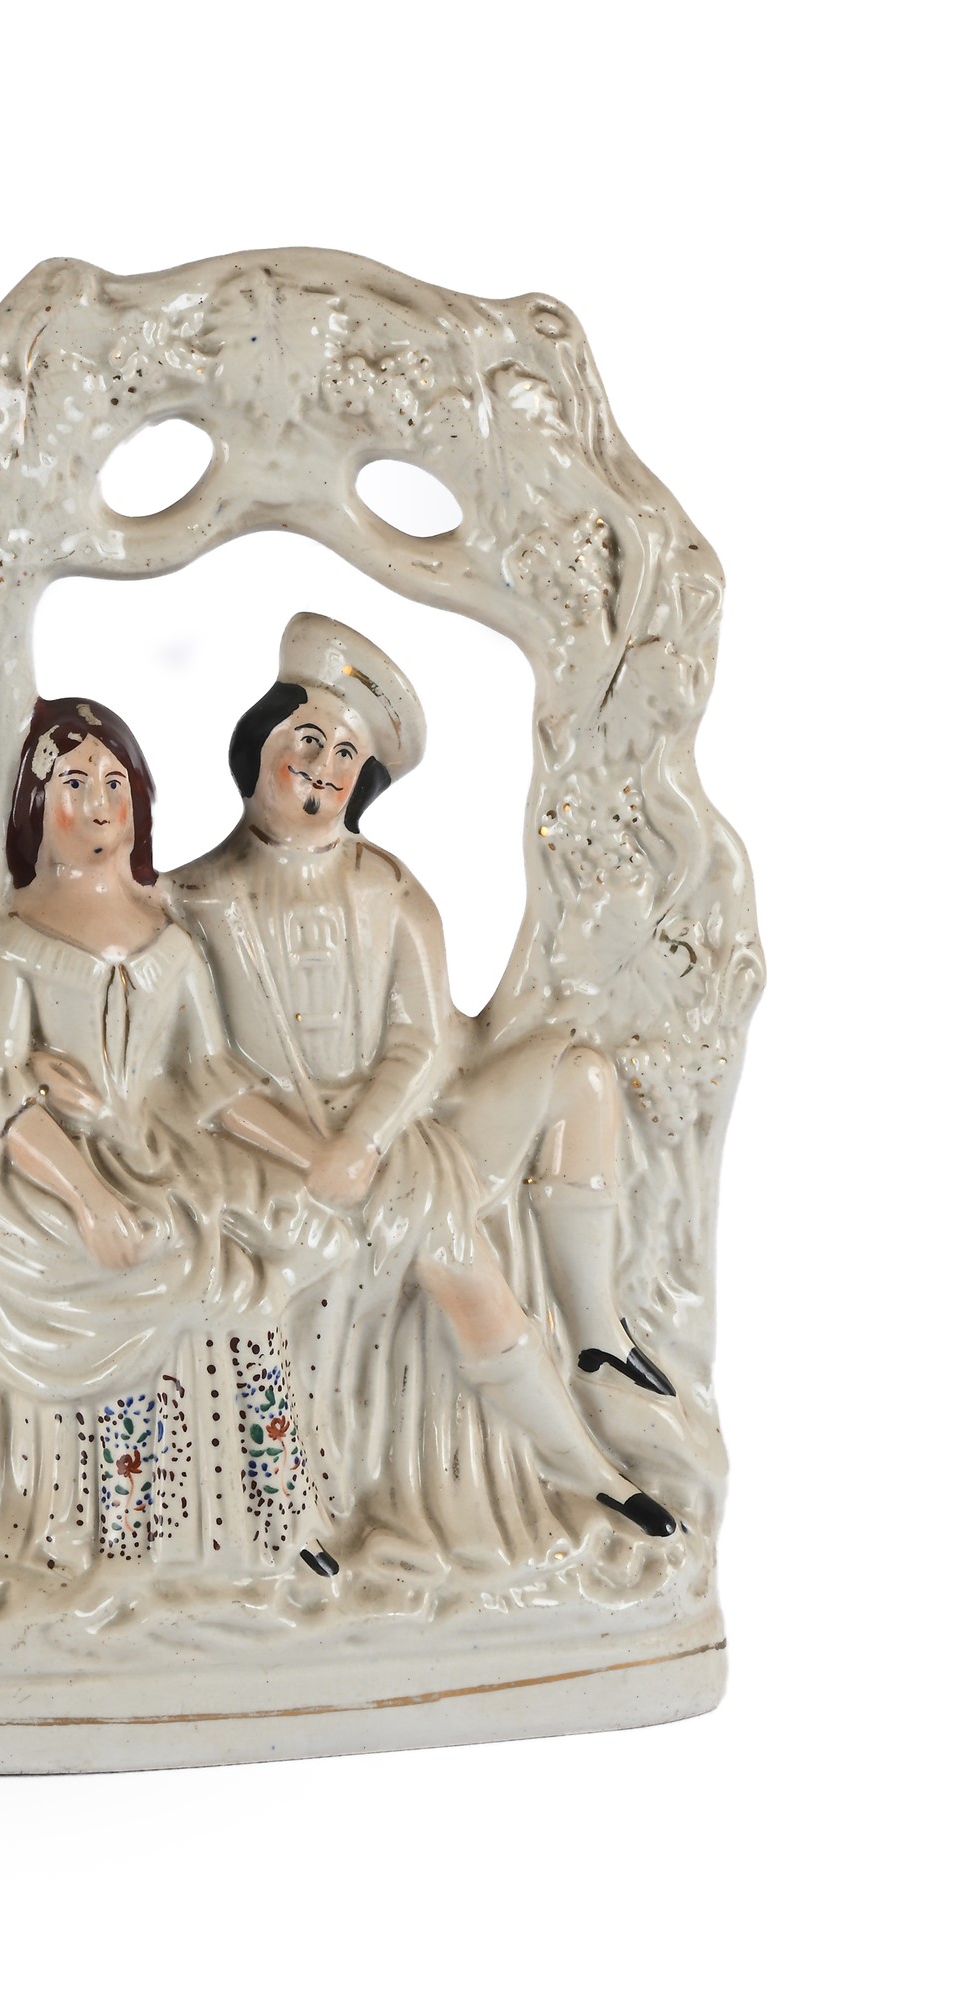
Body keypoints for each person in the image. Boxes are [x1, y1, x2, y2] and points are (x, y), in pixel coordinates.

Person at [169, 613, 676, 1554]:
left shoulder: (388, 890)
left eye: (345, 755)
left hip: (395, 1123)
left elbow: (420, 1044)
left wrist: (363, 1139)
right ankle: (580, 1472)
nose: (321, 768)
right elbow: (199, 1070)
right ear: (259, 743)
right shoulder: (191, 901)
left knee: (579, 1074)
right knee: (453, 1263)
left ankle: (597, 1327)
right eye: (306, 739)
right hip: (271, 1144)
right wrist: (319, 1151)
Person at [0, 696, 342, 1581]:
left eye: (113, 782)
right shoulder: (15, 946)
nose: (97, 805)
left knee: (252, 1293)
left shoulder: (167, 936)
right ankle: (127, 1536)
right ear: (33, 806)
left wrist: (308, 1154)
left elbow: (214, 1077)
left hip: (162, 1156)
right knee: (142, 1289)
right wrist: (88, 1199)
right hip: (58, 1175)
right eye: (72, 783)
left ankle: (283, 1517)